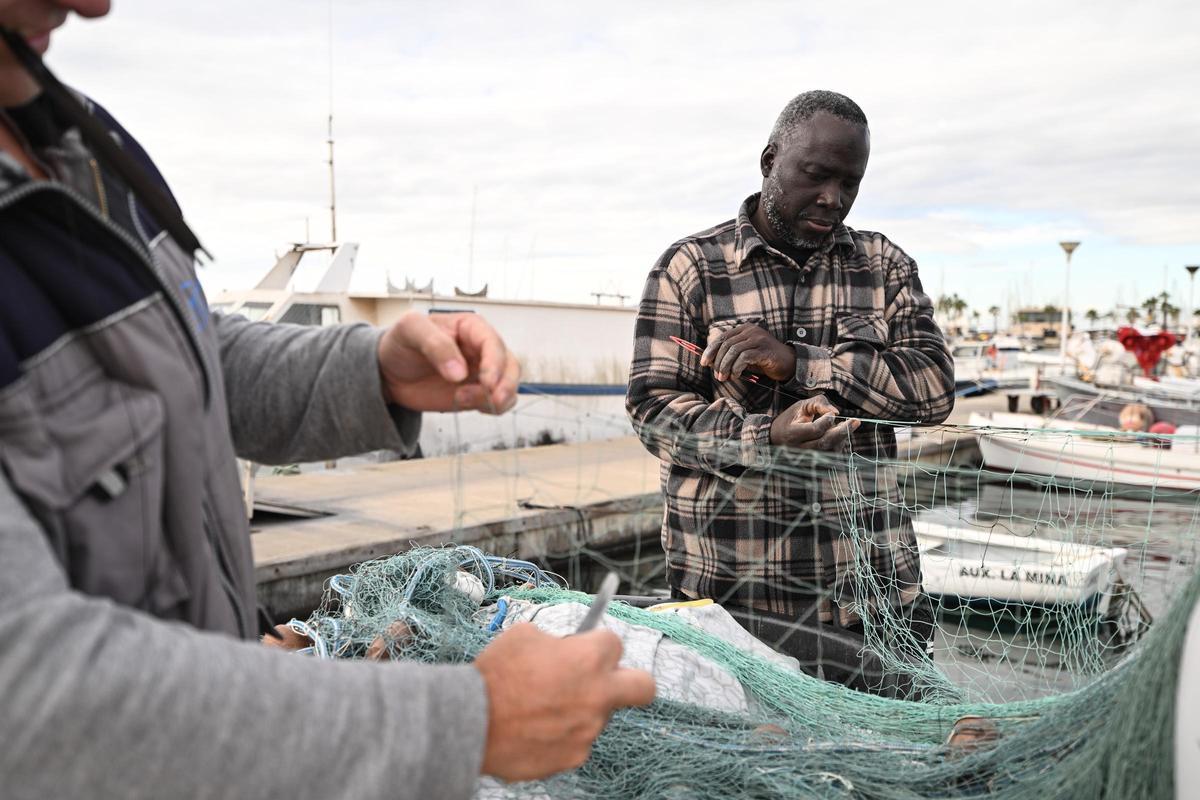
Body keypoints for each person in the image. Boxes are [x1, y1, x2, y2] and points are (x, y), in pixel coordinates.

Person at [0, 2, 654, 798]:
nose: (93, 6)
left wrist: (367, 369)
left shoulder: (67, 133)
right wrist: (465, 720)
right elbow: (29, 690)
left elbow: (185, 354)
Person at [626, 90, 955, 695]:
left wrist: (801, 362)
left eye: (850, 182)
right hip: (733, 605)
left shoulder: (884, 267)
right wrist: (764, 435)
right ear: (770, 158)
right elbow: (652, 411)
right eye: (815, 175)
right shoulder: (690, 268)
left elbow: (934, 390)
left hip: (874, 599)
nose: (833, 198)